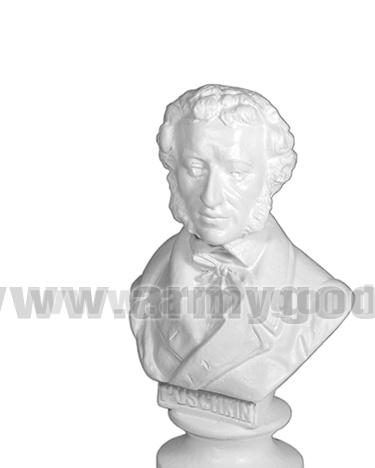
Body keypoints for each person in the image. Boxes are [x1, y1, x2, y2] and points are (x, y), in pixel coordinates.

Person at [130, 84, 353, 408]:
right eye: (195, 169)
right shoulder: (153, 277)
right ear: (173, 171)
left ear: (270, 177)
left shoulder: (320, 297)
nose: (211, 197)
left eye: (236, 173)